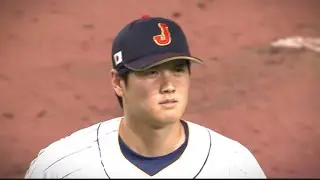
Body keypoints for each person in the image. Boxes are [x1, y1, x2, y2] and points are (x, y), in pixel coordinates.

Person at [24, 15, 266, 179]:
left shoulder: (235, 166)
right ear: (118, 82)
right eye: (151, 72)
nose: (169, 85)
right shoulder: (61, 167)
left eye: (179, 70)